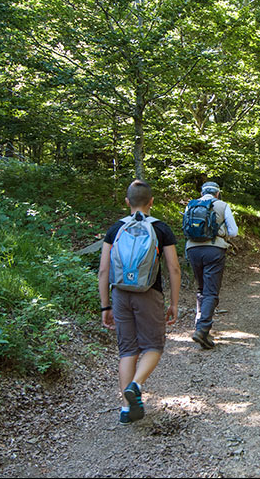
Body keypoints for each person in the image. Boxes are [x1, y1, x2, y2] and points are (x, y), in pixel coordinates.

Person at [98, 179, 181, 425]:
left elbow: (103, 271)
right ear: (151, 202)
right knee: (153, 346)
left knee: (127, 350)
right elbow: (173, 268)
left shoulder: (115, 229)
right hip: (149, 293)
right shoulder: (161, 228)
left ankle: (126, 409)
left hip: (120, 293)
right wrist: (174, 303)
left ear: (127, 202)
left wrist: (105, 306)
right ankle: (136, 384)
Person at [186, 181, 238, 350]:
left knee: (201, 289)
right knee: (211, 292)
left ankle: (200, 327)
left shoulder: (191, 206)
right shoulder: (222, 205)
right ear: (217, 193)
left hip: (192, 249)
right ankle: (202, 330)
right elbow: (234, 231)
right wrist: (221, 234)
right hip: (214, 250)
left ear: (202, 193)